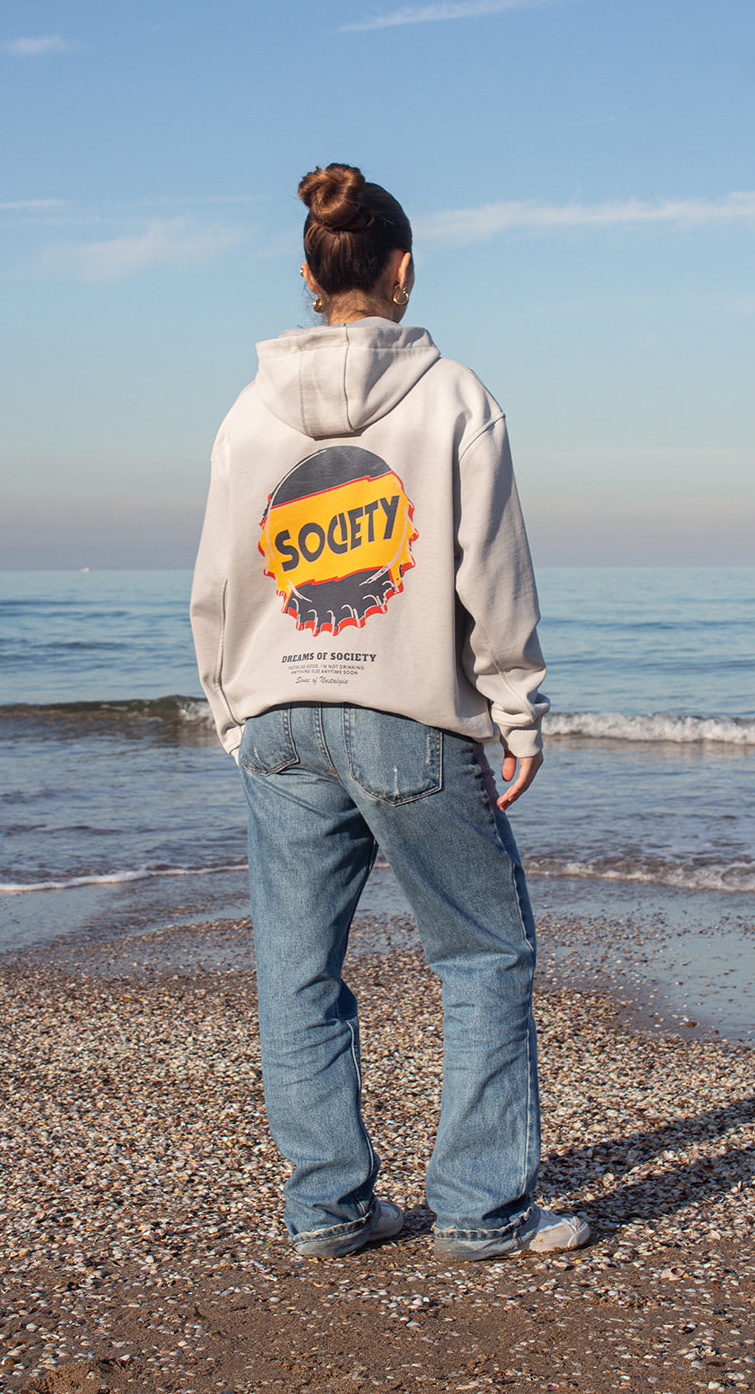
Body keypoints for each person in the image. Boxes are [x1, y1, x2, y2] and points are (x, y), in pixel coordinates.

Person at [190, 163, 589, 1262]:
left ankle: (329, 1210)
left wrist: (233, 711)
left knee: (297, 970)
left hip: (280, 717)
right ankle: (481, 1211)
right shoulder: (454, 396)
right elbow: (490, 571)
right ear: (401, 267)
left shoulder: (245, 412)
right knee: (483, 955)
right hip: (406, 714)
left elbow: (218, 583)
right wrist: (515, 708)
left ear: (311, 274)